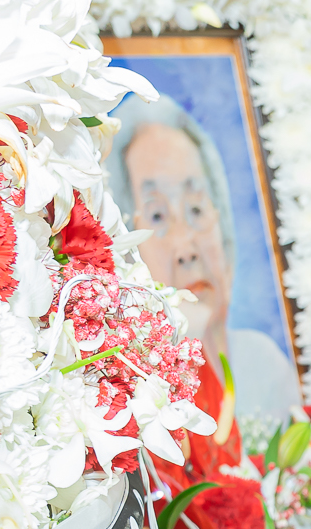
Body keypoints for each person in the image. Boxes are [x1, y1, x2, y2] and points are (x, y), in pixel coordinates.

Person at [111, 93, 300, 425]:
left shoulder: (265, 367)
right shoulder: (126, 401)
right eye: (157, 216)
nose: (187, 248)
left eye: (196, 209)